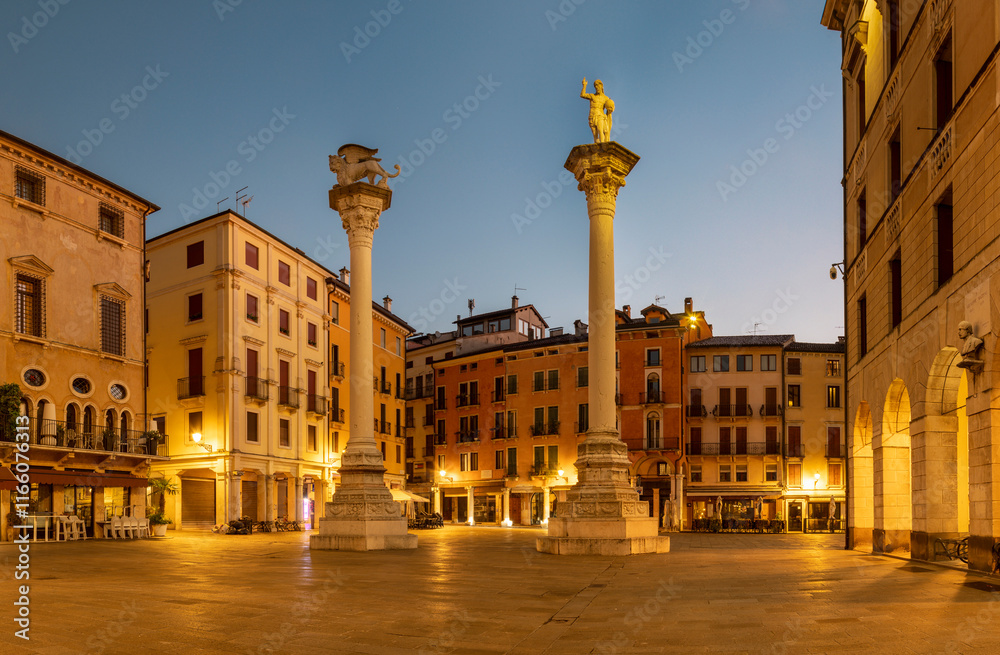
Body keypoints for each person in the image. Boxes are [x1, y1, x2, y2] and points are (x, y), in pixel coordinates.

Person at [581, 78, 615, 143]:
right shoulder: (592, 96)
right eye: (595, 86)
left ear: (601, 86)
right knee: (595, 135)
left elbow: (610, 108)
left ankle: (603, 145)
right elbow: (582, 95)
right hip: (592, 116)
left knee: (600, 130)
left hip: (600, 116)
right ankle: (598, 149)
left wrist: (611, 109)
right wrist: (584, 86)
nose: (597, 87)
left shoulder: (606, 98)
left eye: (598, 86)